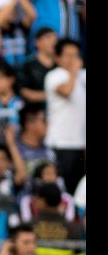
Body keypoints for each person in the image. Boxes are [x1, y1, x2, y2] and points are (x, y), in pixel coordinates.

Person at [44, 38, 86, 195]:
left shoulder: (81, 75)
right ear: (57, 58)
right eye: (68, 55)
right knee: (64, 190)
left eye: (76, 55)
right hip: (60, 143)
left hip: (80, 143)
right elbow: (66, 91)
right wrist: (74, 73)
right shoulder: (54, 76)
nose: (73, 60)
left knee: (79, 191)